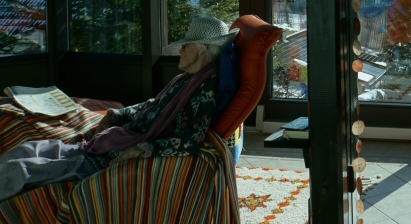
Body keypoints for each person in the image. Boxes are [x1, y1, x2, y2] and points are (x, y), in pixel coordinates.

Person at [0, 16, 239, 204]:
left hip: (114, 155)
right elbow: (153, 104)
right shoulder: (187, 79)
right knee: (28, 148)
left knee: (20, 170)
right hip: (118, 138)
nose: (180, 50)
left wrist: (143, 149)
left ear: (202, 49)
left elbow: (191, 139)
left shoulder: (206, 88)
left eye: (185, 45)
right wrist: (118, 114)